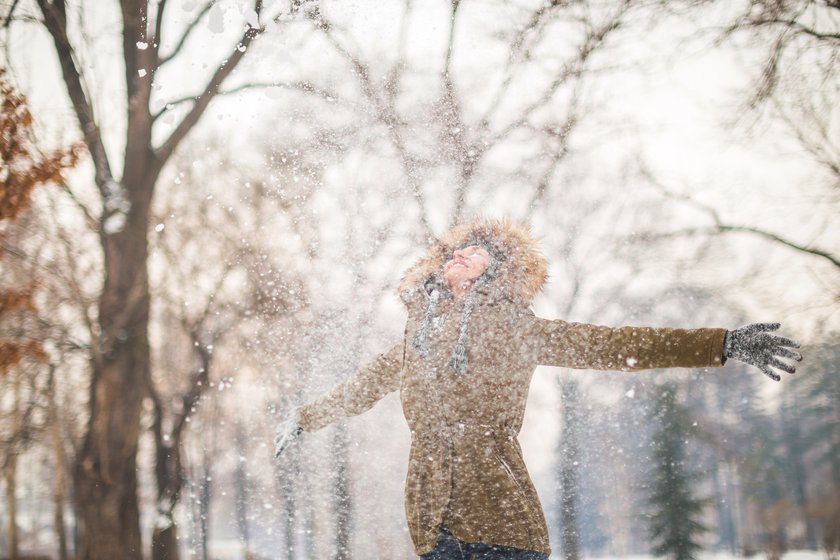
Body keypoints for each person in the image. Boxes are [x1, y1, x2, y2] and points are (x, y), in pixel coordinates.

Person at [273, 218, 801, 559]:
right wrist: (304, 418)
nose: (460, 254)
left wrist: (721, 343)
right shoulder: (419, 338)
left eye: (476, 251)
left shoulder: (513, 328)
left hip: (499, 519)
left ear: (496, 271)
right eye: (455, 251)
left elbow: (613, 346)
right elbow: (365, 385)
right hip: (431, 519)